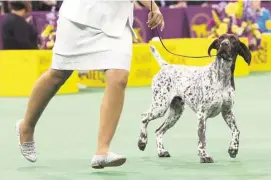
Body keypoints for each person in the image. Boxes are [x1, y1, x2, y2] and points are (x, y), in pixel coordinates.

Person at [15, 0, 164, 169]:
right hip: (80, 14)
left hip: (116, 19)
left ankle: (102, 151)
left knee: (119, 77)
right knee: (58, 74)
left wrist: (153, 6)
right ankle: (26, 126)